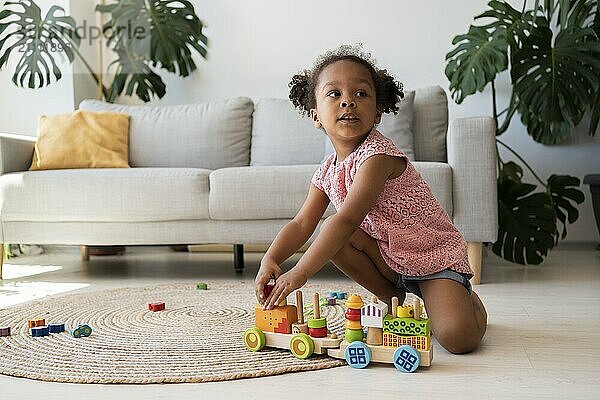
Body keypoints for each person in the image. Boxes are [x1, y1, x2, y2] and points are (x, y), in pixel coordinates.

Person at [254, 45, 487, 354]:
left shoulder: (377, 156)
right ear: (316, 116)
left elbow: (347, 218)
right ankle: (393, 296)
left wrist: (300, 272)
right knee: (334, 236)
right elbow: (301, 223)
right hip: (391, 259)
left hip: (432, 257)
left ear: (377, 112)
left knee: (457, 338)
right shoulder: (327, 172)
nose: (348, 100)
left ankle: (467, 300)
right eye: (334, 94)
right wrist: (270, 259)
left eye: (361, 94)